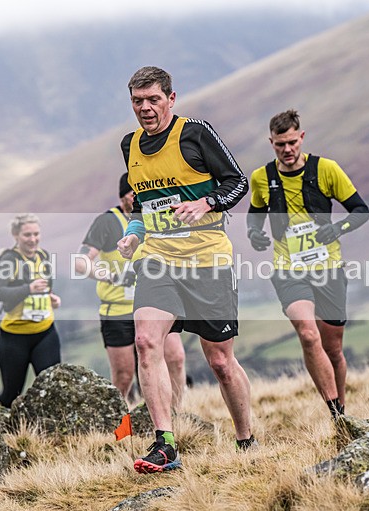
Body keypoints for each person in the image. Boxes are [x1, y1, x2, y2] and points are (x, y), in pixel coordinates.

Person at [117, 66, 254, 474]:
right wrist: (135, 233)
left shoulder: (195, 133)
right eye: (138, 101)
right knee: (145, 340)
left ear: (171, 99)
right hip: (158, 262)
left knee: (220, 362)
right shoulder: (130, 145)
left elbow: (237, 183)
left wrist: (207, 203)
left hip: (208, 261)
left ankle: (246, 437)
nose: (145, 108)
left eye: (153, 99)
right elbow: (144, 204)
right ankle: (165, 444)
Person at [246, 109, 369, 420]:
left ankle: (342, 415)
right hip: (288, 268)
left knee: (333, 350)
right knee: (307, 333)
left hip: (328, 267)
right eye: (279, 145)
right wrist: (253, 233)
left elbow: (360, 210)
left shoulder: (326, 169)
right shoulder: (262, 177)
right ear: (271, 143)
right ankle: (334, 411)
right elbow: (255, 212)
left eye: (291, 142)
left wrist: (338, 229)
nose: (287, 150)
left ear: (301, 137)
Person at [73, 173, 186, 408]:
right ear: (122, 196)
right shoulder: (107, 222)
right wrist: (111, 275)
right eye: (131, 194)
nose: (136, 198)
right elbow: (80, 262)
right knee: (124, 376)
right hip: (118, 311)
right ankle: (121, 423)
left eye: (139, 193)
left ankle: (176, 413)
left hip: (156, 303)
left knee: (175, 358)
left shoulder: (155, 216)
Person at [0, 214, 62, 408]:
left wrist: (51, 299)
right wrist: (28, 289)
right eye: (27, 235)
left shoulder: (44, 256)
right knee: (11, 395)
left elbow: (46, 288)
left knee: (53, 389)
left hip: (45, 333)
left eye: (36, 234)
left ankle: (53, 436)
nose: (33, 239)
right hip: (14, 337)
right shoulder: (9, 260)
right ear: (16, 235)